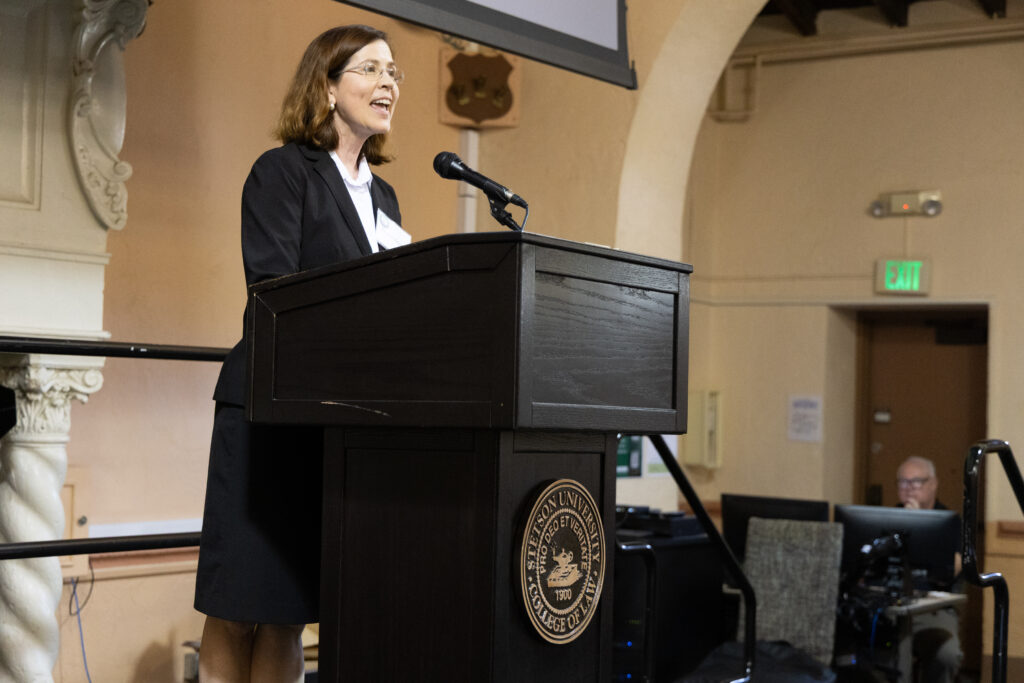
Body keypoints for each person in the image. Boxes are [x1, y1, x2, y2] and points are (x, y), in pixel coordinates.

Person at [193, 25, 408, 682]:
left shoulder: (383, 195)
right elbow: (274, 291)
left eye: (394, 72)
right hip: (266, 414)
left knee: (288, 609)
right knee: (237, 606)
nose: (388, 83)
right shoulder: (283, 171)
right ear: (326, 85)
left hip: (330, 425)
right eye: (370, 69)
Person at [895, 455, 963, 683]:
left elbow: (953, 569)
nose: (908, 489)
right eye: (903, 482)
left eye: (916, 482)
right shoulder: (889, 517)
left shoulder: (950, 522)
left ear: (933, 484)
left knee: (947, 654)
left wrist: (918, 526)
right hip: (893, 605)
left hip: (933, 609)